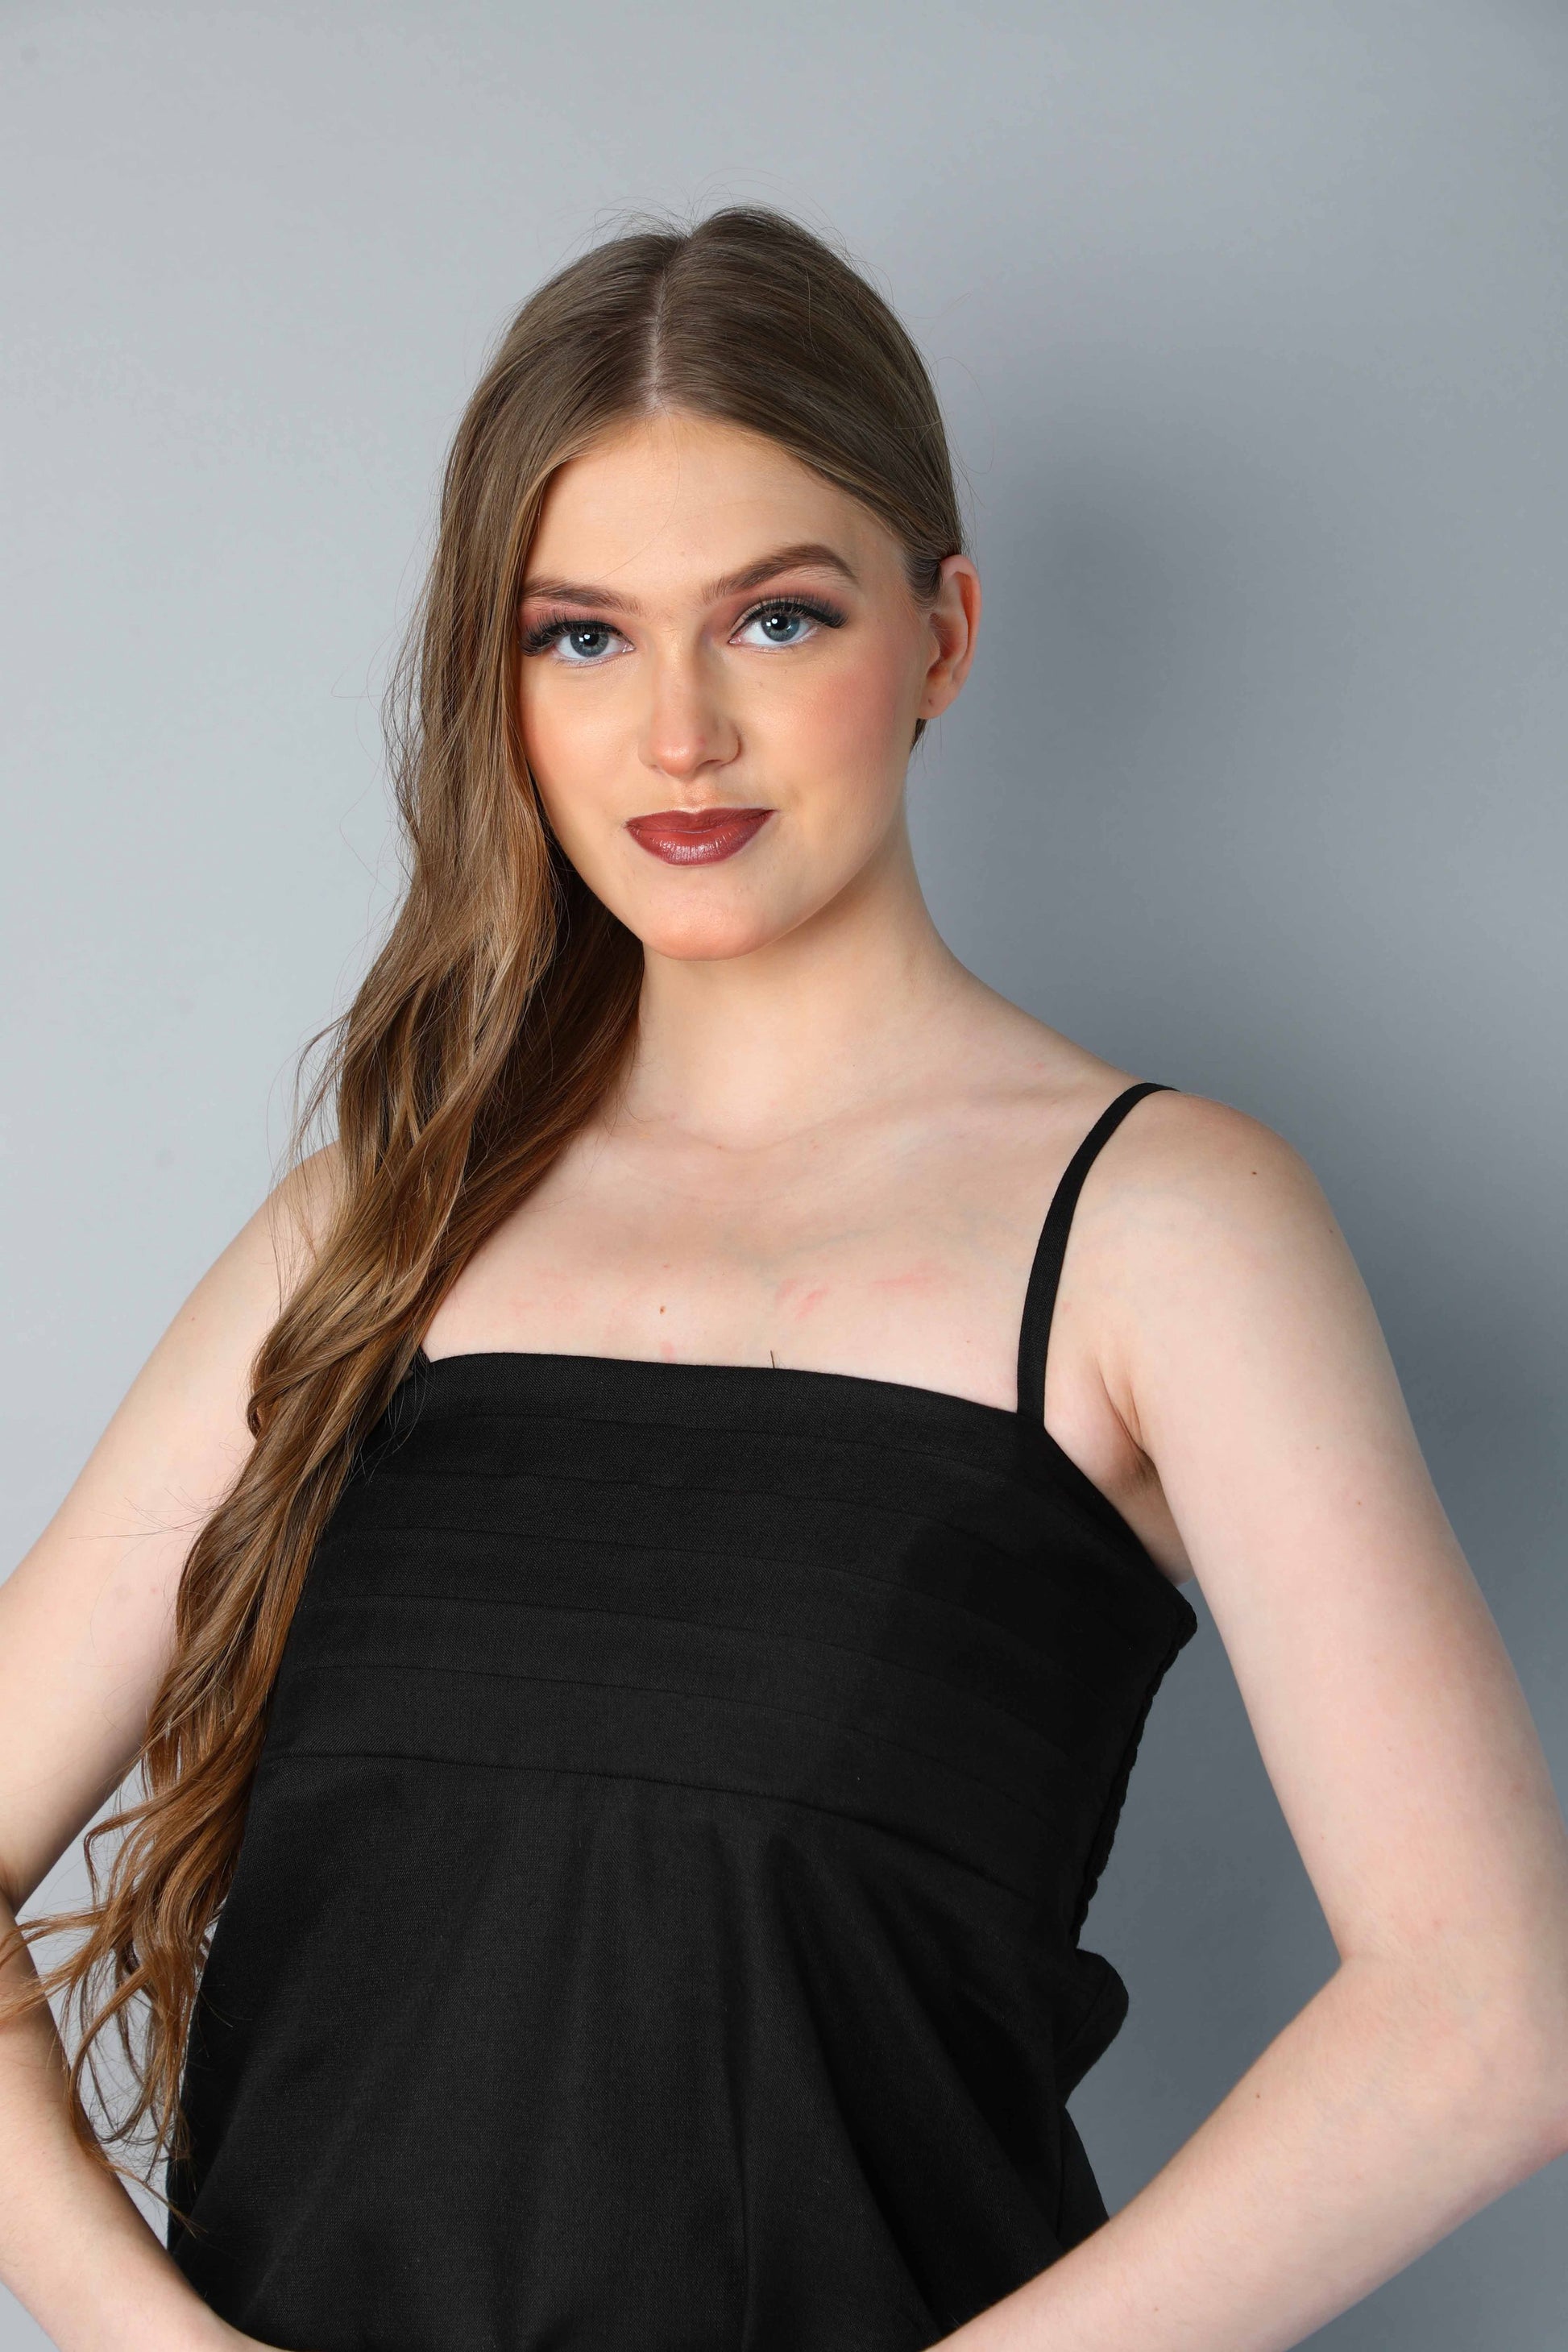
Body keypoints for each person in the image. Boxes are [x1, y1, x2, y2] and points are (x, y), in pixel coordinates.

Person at [2, 204, 1566, 2352]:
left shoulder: (1159, 1228)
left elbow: (1484, 2017)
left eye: (774, 619)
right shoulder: (372, 1231)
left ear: (941, 636)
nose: (679, 738)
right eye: (581, 637)